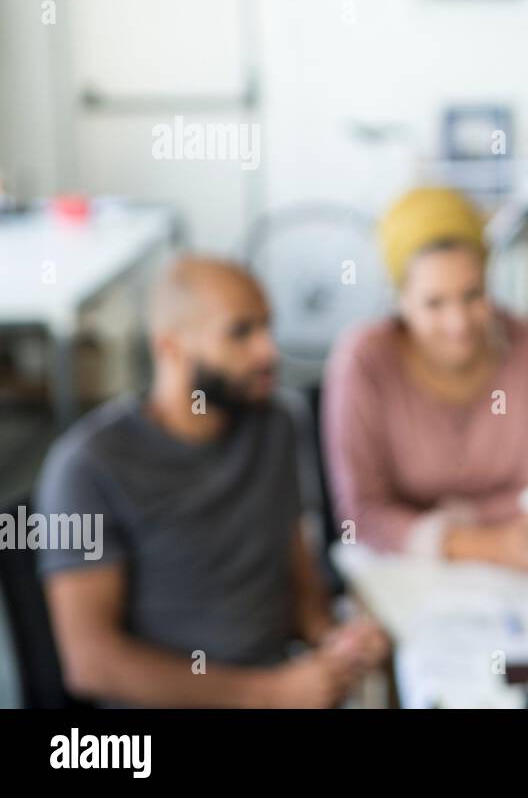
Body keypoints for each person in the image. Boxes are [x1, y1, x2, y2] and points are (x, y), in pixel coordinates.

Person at [35, 257, 388, 708]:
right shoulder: (86, 467)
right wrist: (269, 695)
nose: (268, 352)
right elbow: (92, 664)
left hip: (284, 684)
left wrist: (334, 638)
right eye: (241, 333)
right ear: (171, 347)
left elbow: (298, 577)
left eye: (267, 327)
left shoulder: (276, 424)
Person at [323, 187, 528, 570]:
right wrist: (484, 543)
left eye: (473, 296)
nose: (458, 324)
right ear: (401, 299)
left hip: (516, 570)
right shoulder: (363, 360)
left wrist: (434, 528)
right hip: (398, 568)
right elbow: (360, 516)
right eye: (434, 303)